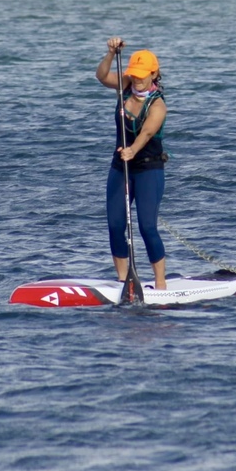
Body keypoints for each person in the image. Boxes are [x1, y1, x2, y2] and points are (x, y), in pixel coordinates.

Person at [96, 37, 168, 291]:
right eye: (134, 74)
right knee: (116, 224)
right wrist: (110, 53)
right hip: (120, 168)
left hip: (148, 169)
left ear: (154, 73)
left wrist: (132, 150)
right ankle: (122, 280)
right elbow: (102, 77)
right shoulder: (124, 85)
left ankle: (160, 284)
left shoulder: (158, 105)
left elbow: (147, 133)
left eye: (142, 75)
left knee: (147, 226)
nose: (137, 79)